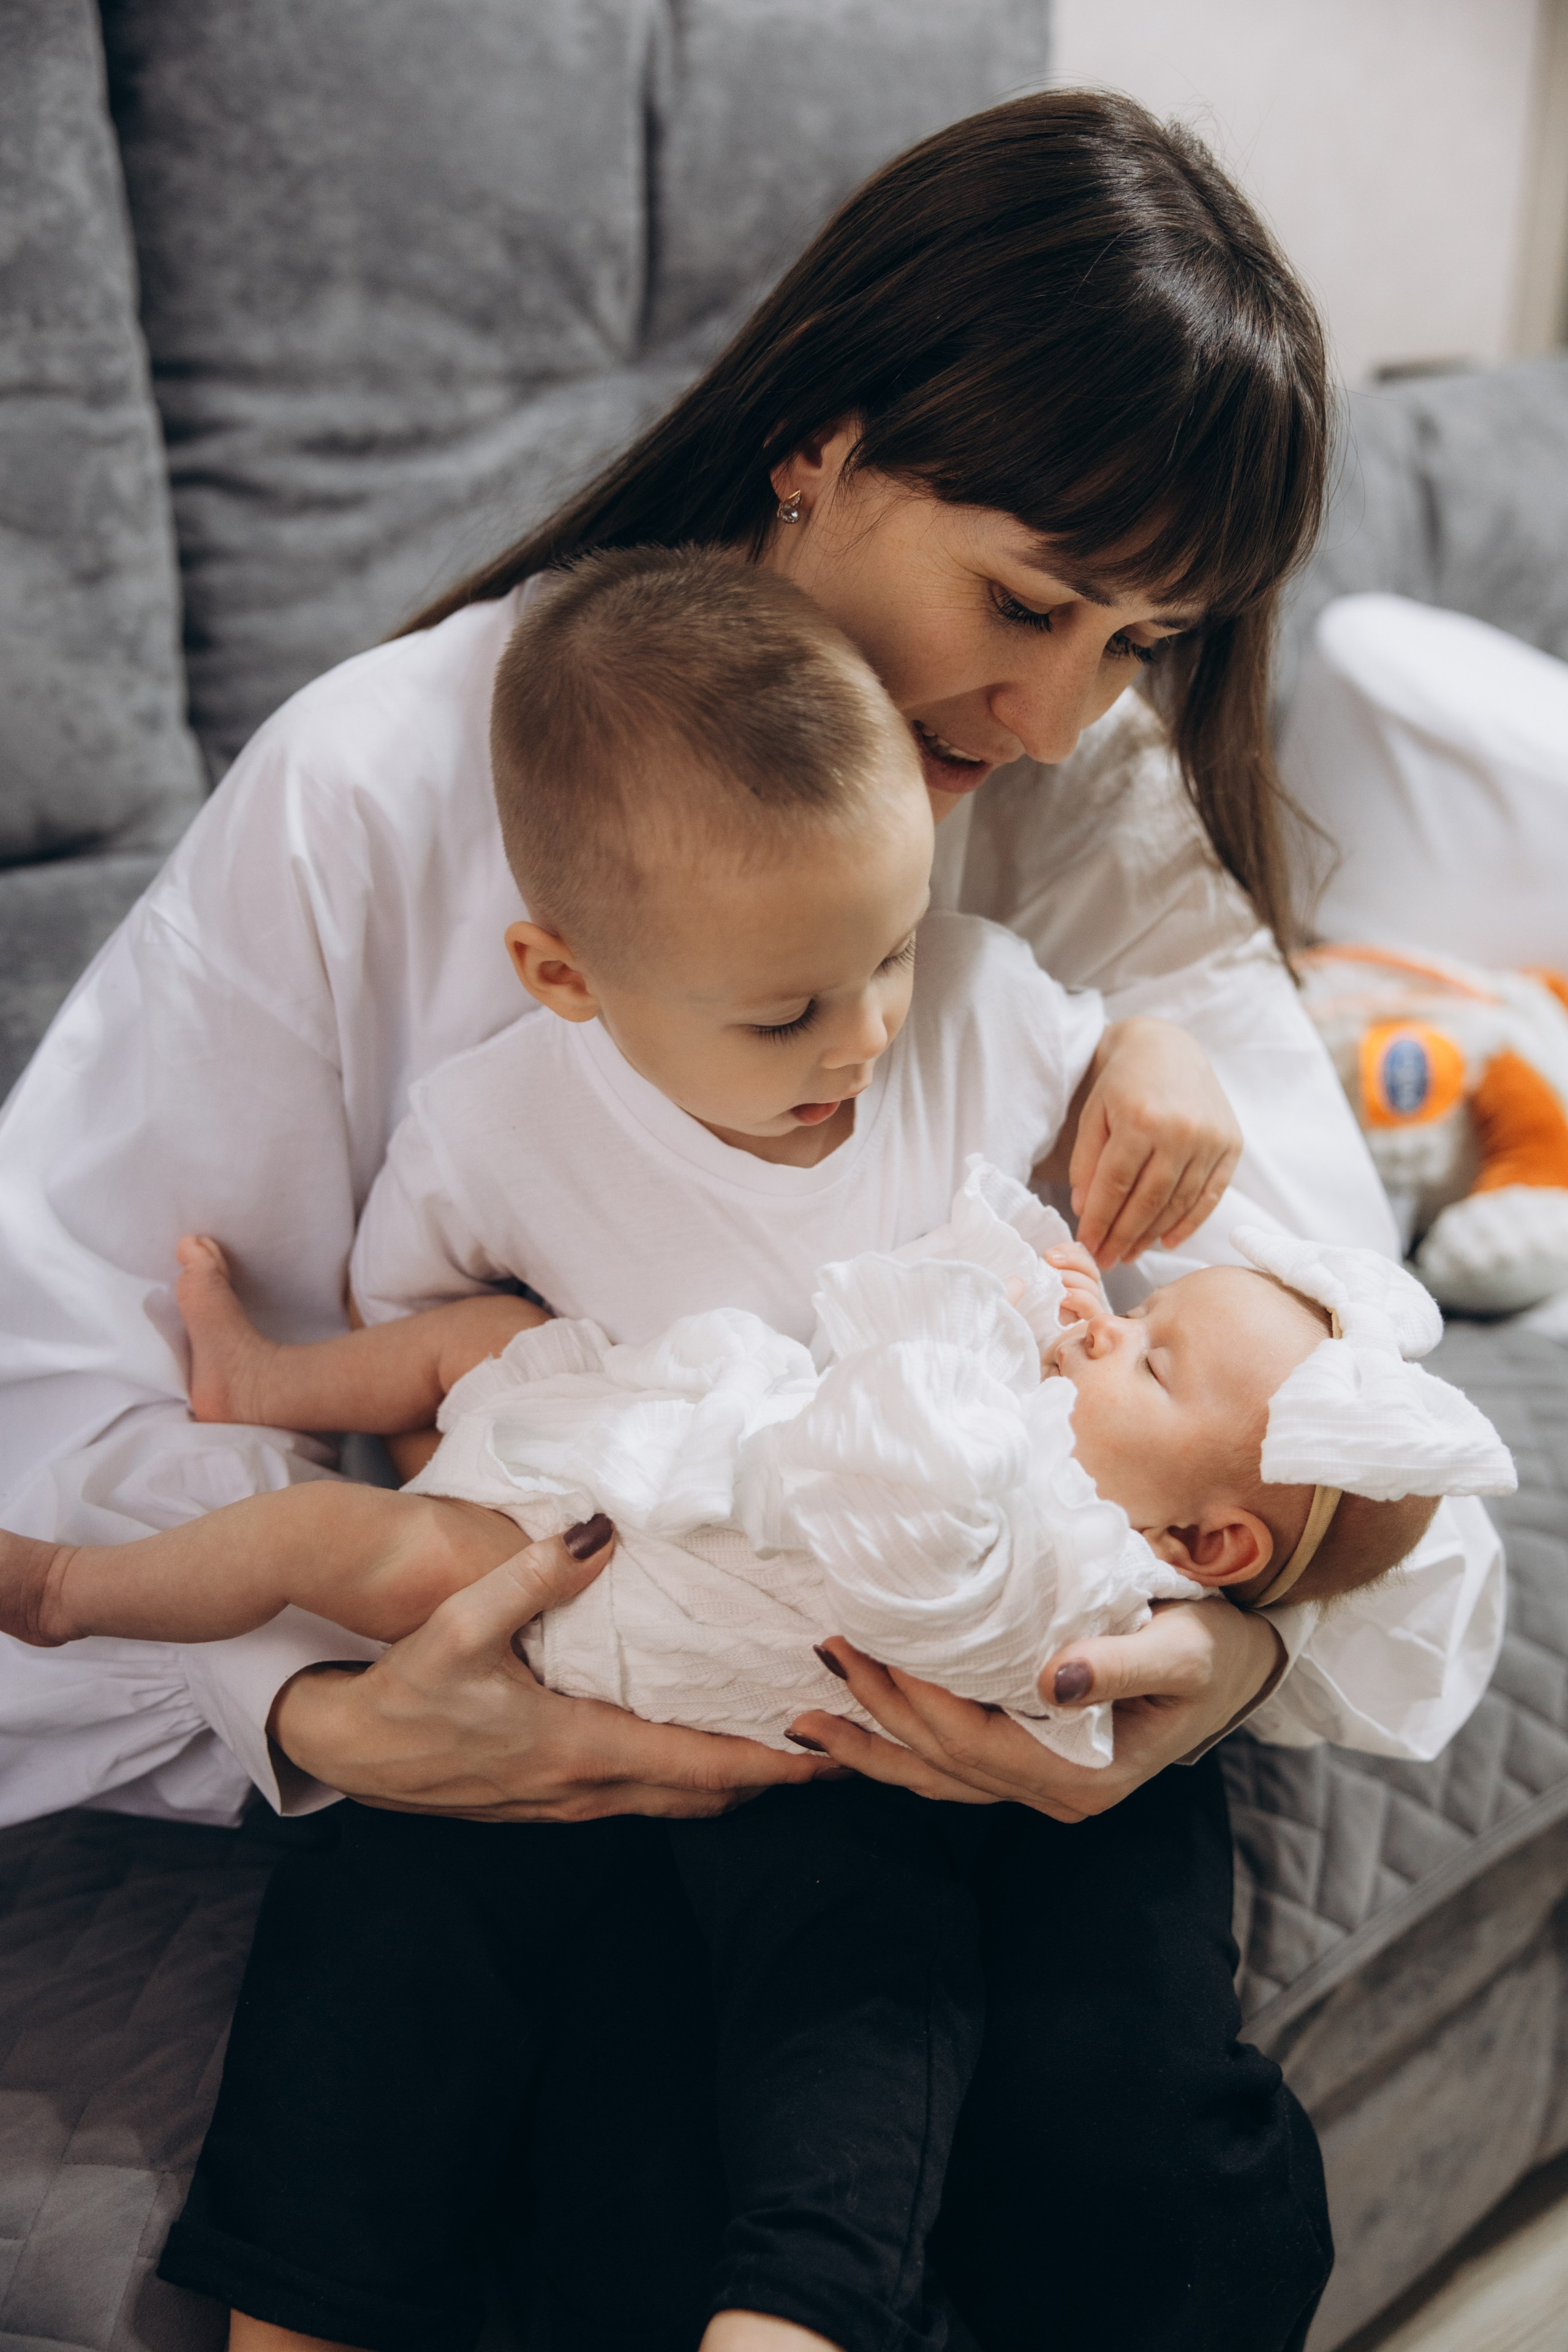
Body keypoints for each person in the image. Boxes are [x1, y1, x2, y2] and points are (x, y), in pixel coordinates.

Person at [0, 86, 1502, 2352]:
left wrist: (1229, 1662)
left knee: (1121, 2152)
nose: (1057, 705)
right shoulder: (384, 789)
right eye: (1026, 601)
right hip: (604, 1640)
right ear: (821, 439)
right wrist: (318, 1714)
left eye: (1138, 642)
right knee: (610, 2170)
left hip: (974, 1673)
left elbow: (1348, 1401)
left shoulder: (1066, 807)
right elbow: (63, 1378)